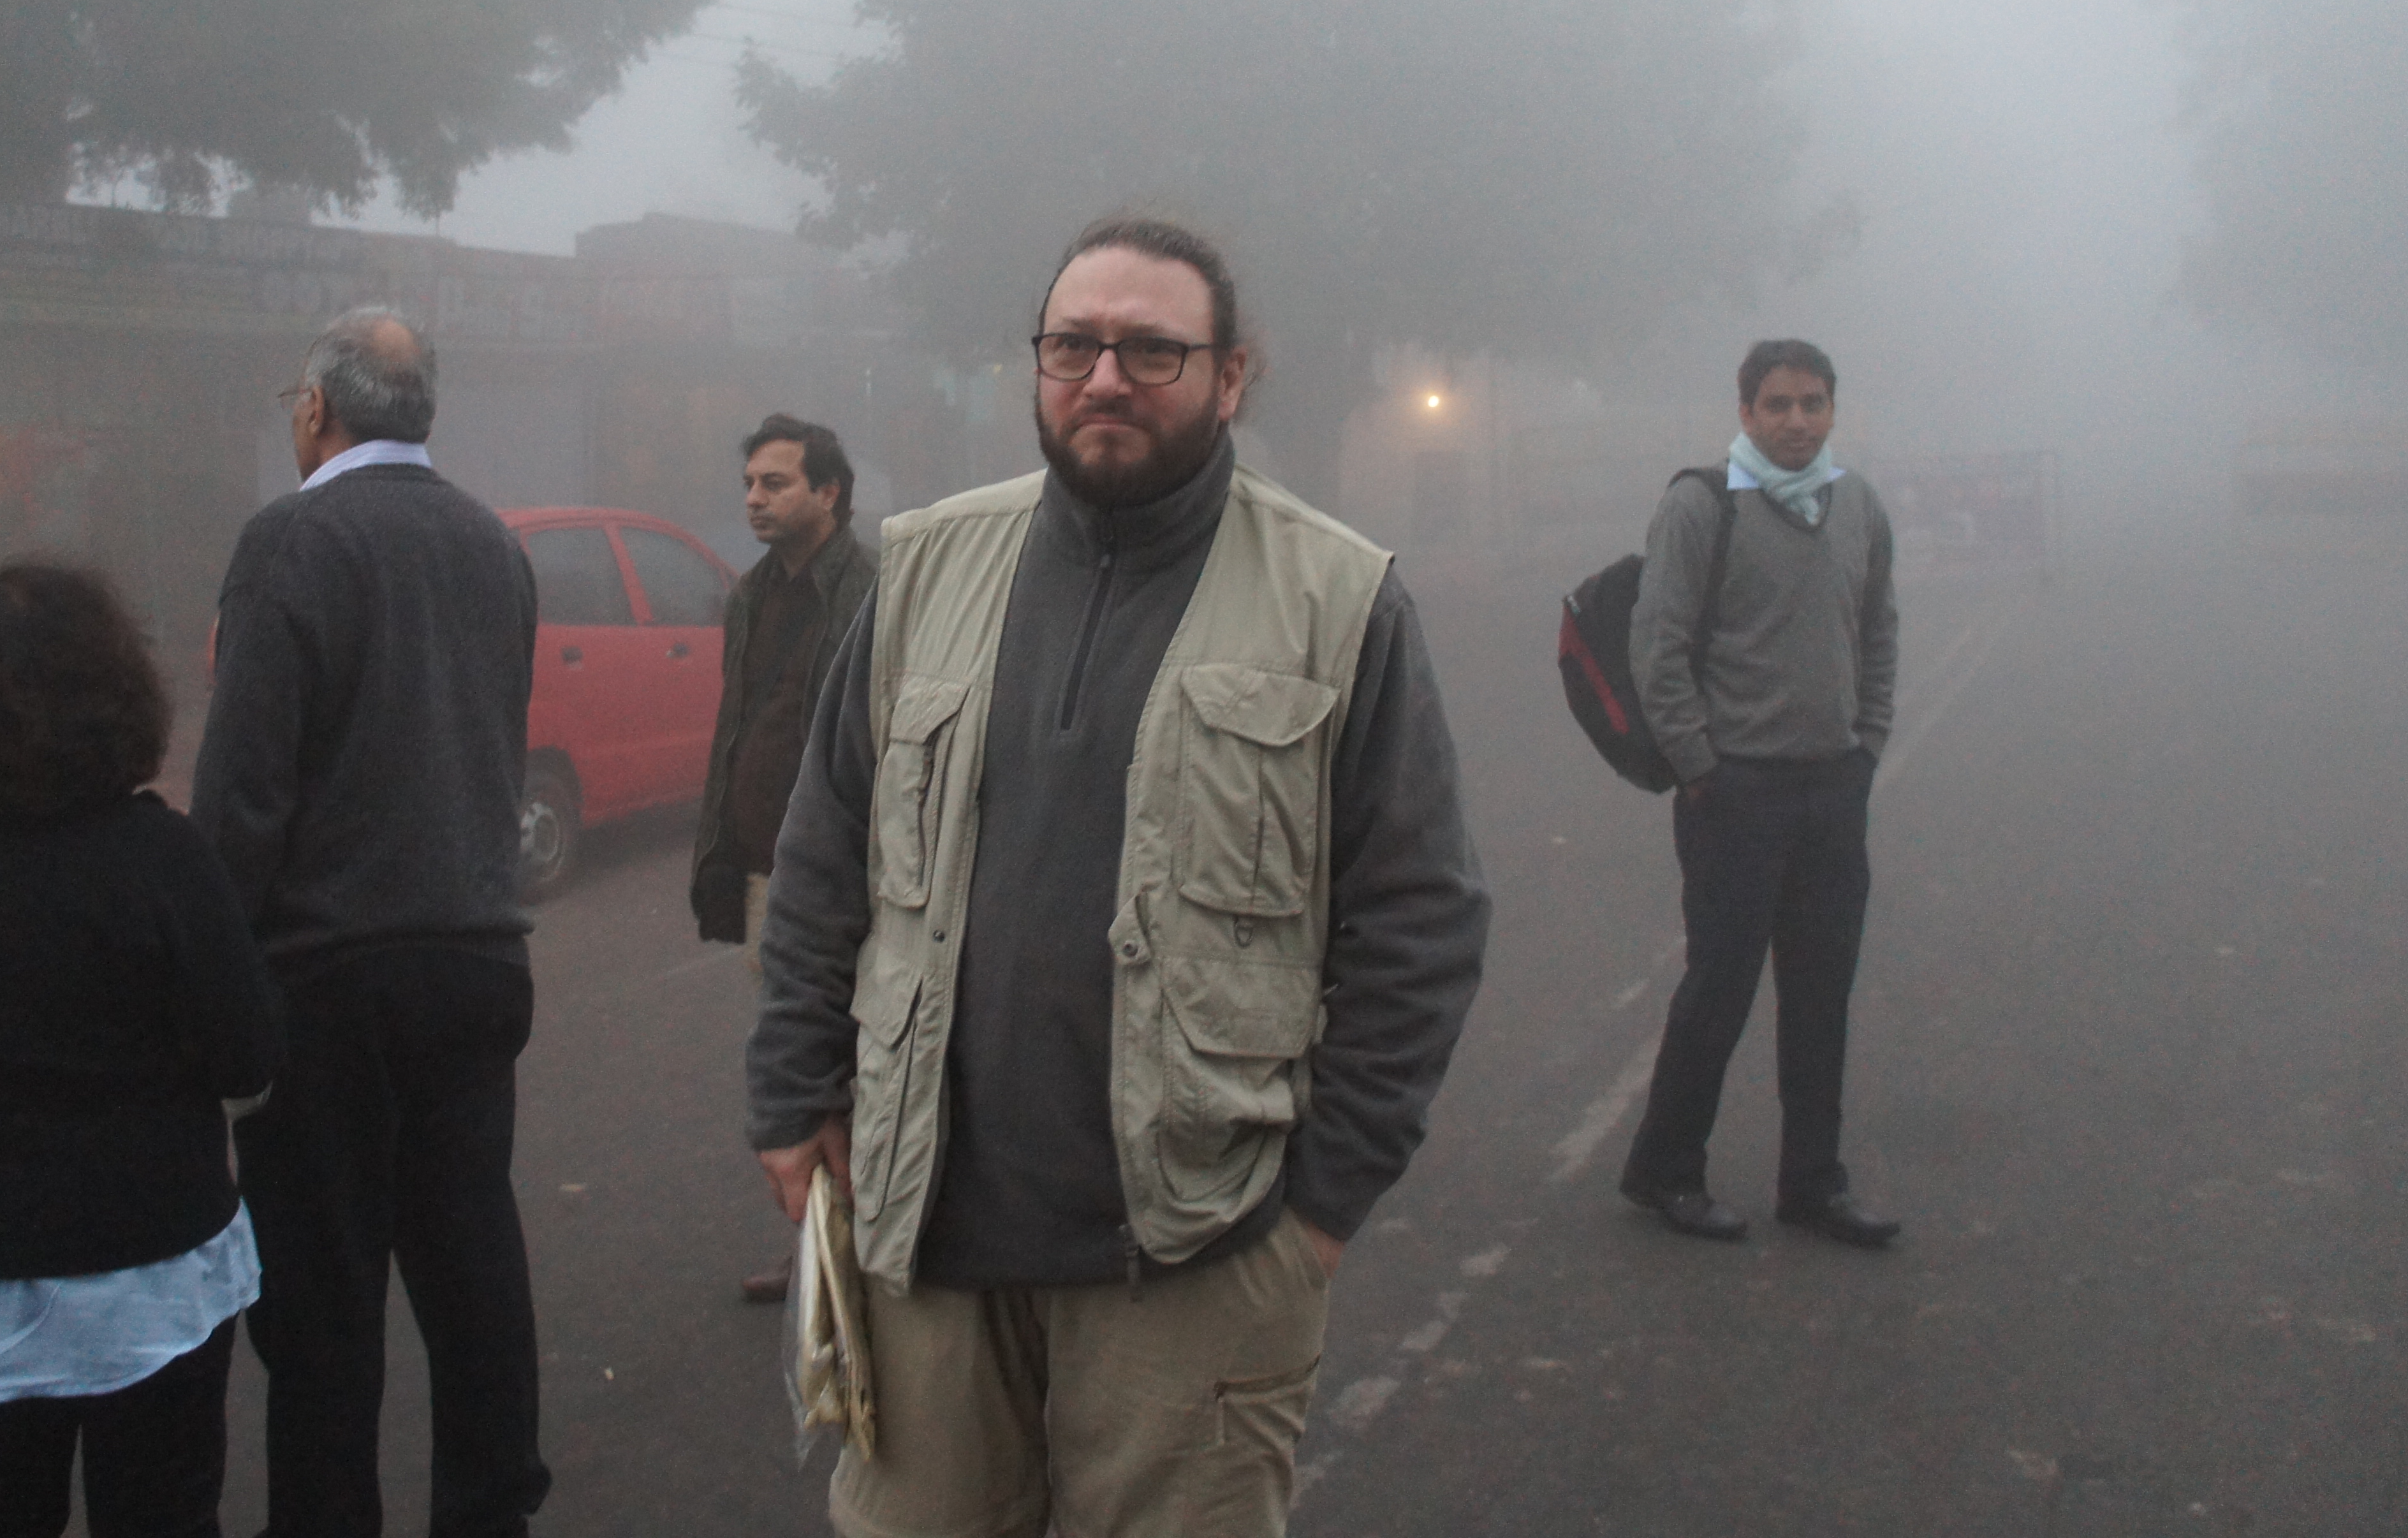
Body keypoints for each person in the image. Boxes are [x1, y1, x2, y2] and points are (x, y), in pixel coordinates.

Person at [748, 216, 1491, 1538]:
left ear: (1231, 376)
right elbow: (824, 852)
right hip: (922, 1232)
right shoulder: (924, 571)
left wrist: (1318, 1213)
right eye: (1073, 346)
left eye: (1152, 350)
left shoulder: (1336, 598)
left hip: (1197, 1249)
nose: (1104, 378)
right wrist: (792, 1089)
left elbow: (1419, 921)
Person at [193, 305, 551, 1535]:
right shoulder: (493, 544)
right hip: (477, 961)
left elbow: (245, 791)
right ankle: (491, 1511)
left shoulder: (291, 540)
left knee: (322, 1296)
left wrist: (215, 977)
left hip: (329, 980)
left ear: (315, 409)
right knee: (471, 1262)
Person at [0, 561, 279, 1538]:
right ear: (119, 696)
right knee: (164, 1513)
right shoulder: (163, 858)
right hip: (147, 1262)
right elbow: (247, 1053)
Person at [1617, 337, 1902, 1247]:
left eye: (1812, 404)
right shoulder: (1703, 506)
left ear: (1833, 411)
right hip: (1735, 794)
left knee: (1821, 995)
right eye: (1777, 405)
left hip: (1832, 789)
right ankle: (1667, 1171)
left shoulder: (1858, 505)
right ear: (1746, 413)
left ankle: (1814, 1182)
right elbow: (1657, 647)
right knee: (1721, 988)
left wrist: (1868, 743)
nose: (1796, 421)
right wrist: (1701, 767)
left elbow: (1878, 631)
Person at [688, 413, 879, 1305]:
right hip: (767, 863)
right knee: (800, 1054)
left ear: (828, 493)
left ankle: (855, 1245)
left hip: (845, 872)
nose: (756, 500)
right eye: (750, 485)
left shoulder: (871, 591)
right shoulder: (751, 596)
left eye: (776, 483)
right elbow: (737, 729)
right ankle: (822, 1245)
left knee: (846, 1055)